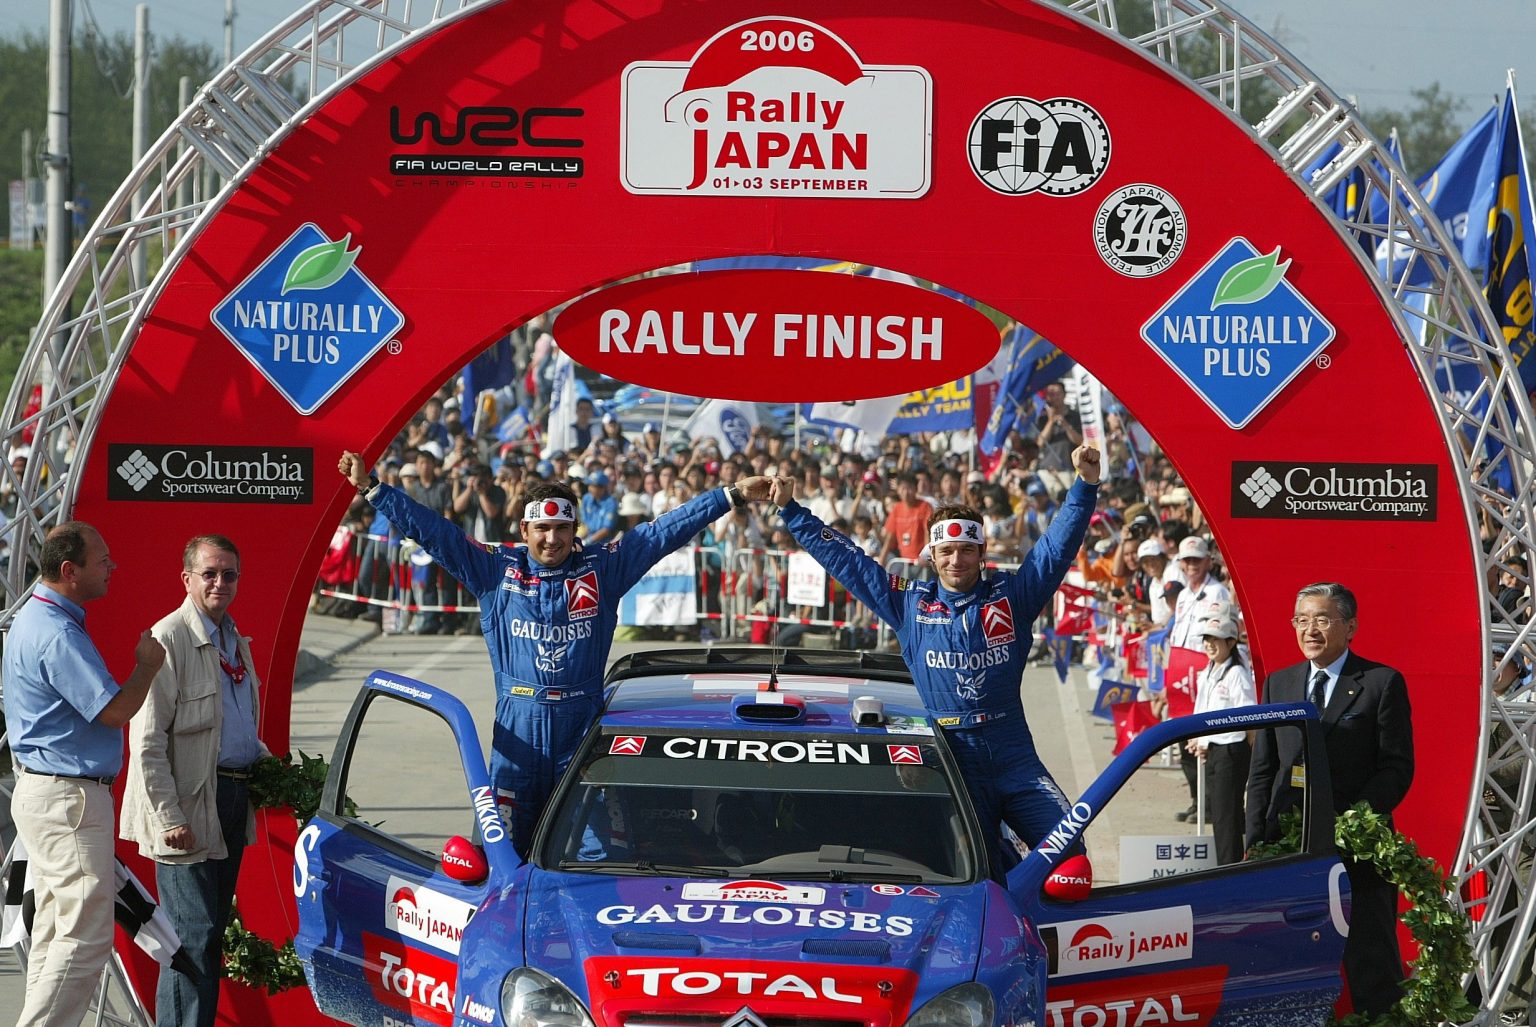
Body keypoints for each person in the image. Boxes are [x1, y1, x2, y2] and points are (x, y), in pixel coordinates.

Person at [338, 450, 772, 852]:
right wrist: (375, 489)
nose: (552, 539)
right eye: (542, 529)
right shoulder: (494, 570)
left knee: (599, 859)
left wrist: (730, 495)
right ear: (524, 530)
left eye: (562, 528)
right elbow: (435, 533)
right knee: (501, 860)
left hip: (583, 740)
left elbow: (663, 532)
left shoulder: (602, 569)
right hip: (516, 740)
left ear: (575, 529)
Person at [767, 445, 1101, 876]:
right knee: (978, 873)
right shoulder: (909, 603)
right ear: (932, 555)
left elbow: (1055, 549)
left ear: (982, 553)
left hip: (1013, 753)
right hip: (951, 757)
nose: (956, 560)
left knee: (1070, 856)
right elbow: (848, 561)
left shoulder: (1011, 596)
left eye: (966, 550)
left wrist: (1084, 485)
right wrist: (792, 511)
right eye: (947, 551)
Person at [4, 522, 166, 1027]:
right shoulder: (56, 632)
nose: (112, 567)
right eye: (103, 560)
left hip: (52, 792)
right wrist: (147, 667)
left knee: (57, 930)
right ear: (69, 571)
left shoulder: (40, 618)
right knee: (84, 937)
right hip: (67, 798)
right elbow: (113, 712)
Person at [1245, 582, 1415, 1019]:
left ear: (1350, 626)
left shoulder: (1380, 683)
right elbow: (1264, 769)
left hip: (1358, 853)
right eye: (1301, 620)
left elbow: (1396, 768)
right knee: (1285, 964)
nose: (1310, 630)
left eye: (1322, 619)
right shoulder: (1279, 683)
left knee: (1370, 963)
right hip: (1290, 851)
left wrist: (1352, 821)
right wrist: (1256, 840)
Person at [120, 535, 269, 1027]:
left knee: (209, 935)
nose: (220, 583)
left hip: (231, 798)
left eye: (229, 574)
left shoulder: (235, 639)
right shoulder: (168, 639)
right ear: (187, 579)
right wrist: (168, 817)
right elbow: (146, 742)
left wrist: (273, 769)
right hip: (186, 809)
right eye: (210, 573)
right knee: (191, 937)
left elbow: (239, 728)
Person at [1186, 615, 1254, 865]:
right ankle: (1229, 865)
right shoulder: (1208, 671)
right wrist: (1200, 739)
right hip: (1213, 750)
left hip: (1231, 750)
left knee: (1227, 815)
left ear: (1231, 642)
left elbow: (1248, 715)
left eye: (1216, 639)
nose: (1210, 644)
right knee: (1220, 813)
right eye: (1207, 639)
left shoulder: (1237, 673)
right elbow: (1202, 709)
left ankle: (1229, 867)